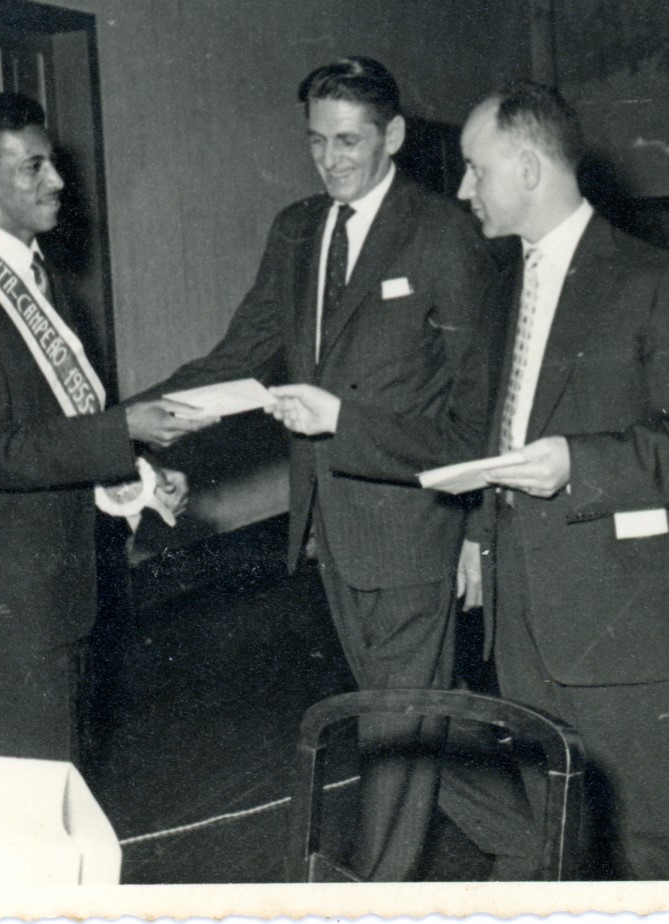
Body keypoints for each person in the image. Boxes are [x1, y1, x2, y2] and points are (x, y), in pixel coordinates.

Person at [135, 57, 531, 880]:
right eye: (316, 141)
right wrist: (125, 427)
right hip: (331, 527)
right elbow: (237, 356)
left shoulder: (443, 232)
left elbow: (481, 407)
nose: (330, 159)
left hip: (415, 523)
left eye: (348, 140)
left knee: (397, 724)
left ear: (393, 135)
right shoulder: (296, 230)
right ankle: (533, 842)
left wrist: (480, 533)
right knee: (412, 713)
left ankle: (374, 895)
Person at [453, 83, 669, 880]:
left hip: (625, 621)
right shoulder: (502, 284)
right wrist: (479, 534)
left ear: (528, 167)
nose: (465, 187)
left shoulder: (659, 280)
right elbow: (502, 422)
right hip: (520, 614)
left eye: (476, 168)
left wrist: (579, 464)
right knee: (560, 842)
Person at [0, 92, 204, 763]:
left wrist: (137, 477)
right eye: (33, 167)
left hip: (62, 593)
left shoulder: (43, 279)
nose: (58, 181)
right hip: (7, 606)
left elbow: (59, 425)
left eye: (53, 163)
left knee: (61, 789)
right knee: (32, 802)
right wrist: (121, 431)